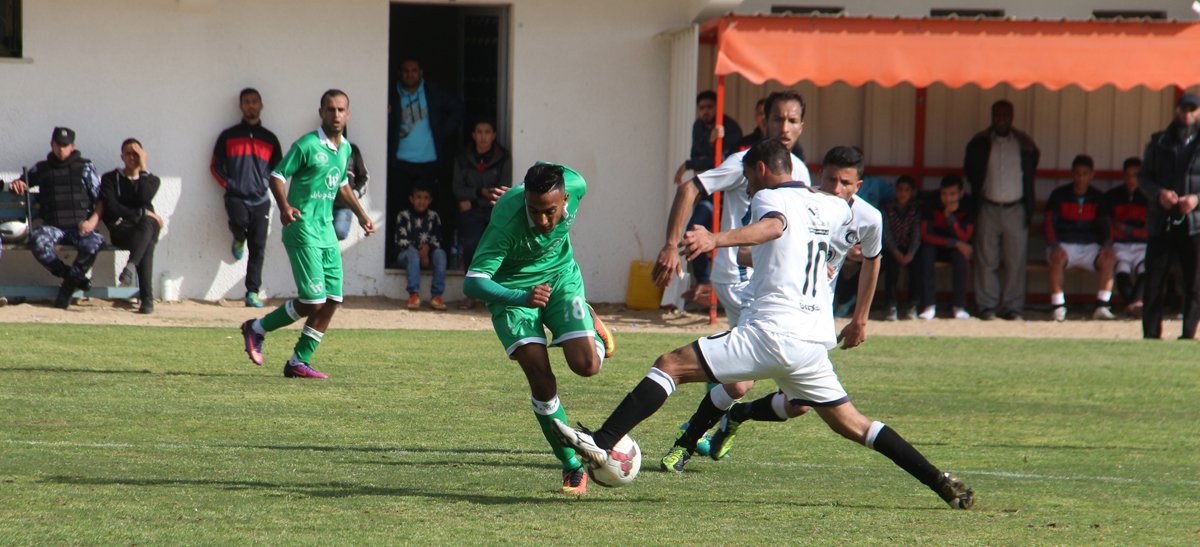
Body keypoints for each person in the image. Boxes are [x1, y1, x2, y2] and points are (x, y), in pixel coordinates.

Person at [552, 140, 974, 510]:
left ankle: (604, 441)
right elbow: (834, 242)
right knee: (858, 426)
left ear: (760, 171)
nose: (748, 190)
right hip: (812, 343)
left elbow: (774, 227)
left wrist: (715, 238)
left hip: (773, 332)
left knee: (670, 364)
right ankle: (940, 482)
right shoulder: (832, 205)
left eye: (749, 182)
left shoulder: (771, 198)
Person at [661, 145, 883, 471]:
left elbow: (872, 261)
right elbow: (748, 254)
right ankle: (685, 444)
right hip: (768, 306)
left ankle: (739, 415)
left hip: (812, 321)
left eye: (845, 183)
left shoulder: (868, 218)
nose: (836, 189)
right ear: (820, 175)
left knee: (799, 406)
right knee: (738, 383)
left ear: (858, 186)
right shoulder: (799, 202)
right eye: (831, 180)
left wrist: (860, 319)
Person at [651, 91, 809, 462]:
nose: (784, 128)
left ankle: (723, 421)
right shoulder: (744, 162)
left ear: (802, 125)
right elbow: (691, 186)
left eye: (792, 121)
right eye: (777, 120)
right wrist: (672, 245)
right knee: (742, 379)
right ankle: (691, 434)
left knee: (797, 400)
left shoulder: (800, 171)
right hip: (741, 280)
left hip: (778, 286)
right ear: (763, 121)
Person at [461, 162, 615, 496]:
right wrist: (521, 296)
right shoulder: (507, 220)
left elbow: (558, 175)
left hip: (560, 279)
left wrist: (519, 190)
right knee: (540, 377)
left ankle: (592, 327)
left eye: (550, 212)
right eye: (534, 211)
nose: (543, 221)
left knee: (588, 366)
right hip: (513, 293)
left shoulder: (577, 185)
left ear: (564, 200)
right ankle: (572, 464)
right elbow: (473, 283)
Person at [239, 89, 375, 379]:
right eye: (330, 109)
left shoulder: (346, 149)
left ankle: (299, 360)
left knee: (334, 298)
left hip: (326, 231)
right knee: (313, 300)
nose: (336, 115)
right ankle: (256, 328)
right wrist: (285, 206)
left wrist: (363, 216)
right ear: (321, 113)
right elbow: (276, 175)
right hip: (302, 228)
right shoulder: (307, 145)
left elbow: (341, 186)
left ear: (348, 114)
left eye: (341, 110)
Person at [9, 127, 105, 309]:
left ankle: (67, 288)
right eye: (57, 145)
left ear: (72, 146)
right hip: (54, 227)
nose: (61, 149)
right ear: (51, 144)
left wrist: (92, 222)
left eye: (65, 145)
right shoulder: (42, 168)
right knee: (37, 241)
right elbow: (23, 181)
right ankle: (71, 276)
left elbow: (100, 199)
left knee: (94, 243)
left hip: (79, 226)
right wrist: (19, 182)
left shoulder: (85, 167)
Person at [965, 99, 1040, 321]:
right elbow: (969, 170)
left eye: (1005, 115)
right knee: (986, 260)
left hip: (1016, 208)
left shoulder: (1023, 144)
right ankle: (987, 305)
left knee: (1015, 261)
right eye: (997, 115)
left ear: (1012, 117)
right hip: (988, 207)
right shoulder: (980, 142)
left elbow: (1034, 163)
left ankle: (1012, 307)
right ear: (991, 116)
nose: (1001, 119)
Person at [388, 56, 464, 267]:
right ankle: (400, 256)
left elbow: (458, 109)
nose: (410, 74)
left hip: (430, 162)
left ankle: (435, 256)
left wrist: (441, 131)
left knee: (435, 212)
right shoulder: (391, 94)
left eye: (414, 70)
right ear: (400, 73)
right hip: (401, 162)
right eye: (405, 70)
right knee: (400, 210)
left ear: (421, 72)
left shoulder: (433, 92)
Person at [211, 87, 283, 308]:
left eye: (254, 101)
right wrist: (231, 184)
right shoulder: (228, 136)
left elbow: (278, 169)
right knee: (240, 225)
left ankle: (252, 292)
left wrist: (266, 184)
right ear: (241, 106)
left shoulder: (270, 138)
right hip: (236, 197)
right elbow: (215, 166)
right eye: (247, 102)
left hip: (261, 200)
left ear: (261, 105)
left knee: (258, 247)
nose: (251, 106)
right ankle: (238, 237)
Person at [1137, 93, 1200, 339]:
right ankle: (1151, 335)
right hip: (1162, 220)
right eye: (1183, 109)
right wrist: (1159, 194)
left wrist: (1195, 200)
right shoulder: (1159, 141)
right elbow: (1143, 178)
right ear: (1176, 111)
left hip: (1194, 223)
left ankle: (1188, 334)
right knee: (1154, 281)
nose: (1187, 114)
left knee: (1193, 282)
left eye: (1192, 109)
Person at [673, 91, 743, 297]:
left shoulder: (729, 128)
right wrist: (694, 161)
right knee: (693, 230)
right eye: (702, 108)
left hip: (726, 197)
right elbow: (698, 156)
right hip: (708, 194)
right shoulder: (698, 126)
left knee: (727, 237)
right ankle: (703, 280)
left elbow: (722, 165)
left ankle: (718, 283)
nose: (705, 112)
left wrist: (710, 151)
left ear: (717, 108)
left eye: (709, 108)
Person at [1044, 154, 1116, 322]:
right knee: (1056, 258)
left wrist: (1107, 245)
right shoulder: (1059, 194)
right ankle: (1058, 306)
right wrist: (1054, 245)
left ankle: (1102, 306)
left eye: (1085, 174)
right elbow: (1048, 223)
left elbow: (1108, 225)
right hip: (1064, 244)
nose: (1081, 178)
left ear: (1092, 175)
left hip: (1090, 245)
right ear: (1072, 174)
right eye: (1077, 173)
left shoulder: (1098, 197)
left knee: (1108, 259)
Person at [99, 138, 164, 314]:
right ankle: (147, 298)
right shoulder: (110, 179)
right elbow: (112, 207)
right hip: (122, 230)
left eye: (136, 154)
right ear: (122, 156)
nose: (132, 157)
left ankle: (131, 266)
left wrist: (143, 168)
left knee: (148, 231)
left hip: (144, 230)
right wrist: (142, 213)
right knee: (148, 235)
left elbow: (144, 197)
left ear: (143, 156)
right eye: (128, 153)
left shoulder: (152, 180)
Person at [452, 118, 511, 310]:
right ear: (473, 135)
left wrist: (474, 199)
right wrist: (480, 194)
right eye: (479, 131)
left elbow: (503, 191)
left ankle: (494, 295)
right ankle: (470, 294)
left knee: (497, 251)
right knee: (470, 246)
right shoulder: (462, 157)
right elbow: (458, 189)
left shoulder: (503, 157)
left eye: (487, 132)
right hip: (473, 213)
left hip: (496, 211)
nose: (483, 136)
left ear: (494, 135)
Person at [917, 175, 974, 320]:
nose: (948, 199)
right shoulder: (931, 201)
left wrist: (950, 217)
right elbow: (925, 235)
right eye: (944, 194)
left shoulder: (968, 204)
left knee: (961, 257)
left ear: (961, 193)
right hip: (936, 245)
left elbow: (965, 237)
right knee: (926, 253)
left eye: (952, 194)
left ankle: (959, 306)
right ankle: (929, 306)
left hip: (956, 249)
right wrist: (954, 243)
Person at [1104, 157, 1148, 314]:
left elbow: (1149, 230)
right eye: (1128, 175)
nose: (1131, 179)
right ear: (1123, 176)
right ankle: (1135, 303)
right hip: (1120, 244)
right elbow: (1107, 224)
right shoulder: (1112, 196)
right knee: (1122, 267)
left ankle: (1133, 303)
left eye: (1135, 175)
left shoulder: (1148, 198)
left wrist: (1128, 230)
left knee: (1145, 267)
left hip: (1142, 244)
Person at [396, 184, 447, 311]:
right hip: (406, 256)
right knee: (412, 253)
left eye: (425, 198)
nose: (422, 201)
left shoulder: (433, 216)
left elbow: (438, 239)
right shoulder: (403, 216)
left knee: (440, 254)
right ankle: (414, 295)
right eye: (418, 197)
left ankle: (436, 296)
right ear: (411, 199)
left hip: (428, 255)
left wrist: (428, 250)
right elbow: (400, 241)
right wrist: (421, 251)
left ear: (430, 200)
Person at [882, 175, 922, 320]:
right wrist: (896, 252)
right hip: (892, 249)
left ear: (912, 192)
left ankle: (913, 304)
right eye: (900, 189)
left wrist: (911, 253)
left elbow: (917, 233)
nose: (902, 193)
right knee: (891, 269)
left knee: (917, 268)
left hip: (911, 249)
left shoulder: (916, 209)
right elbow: (886, 233)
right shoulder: (887, 208)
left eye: (906, 190)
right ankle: (891, 305)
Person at [333, 135, 369, 241]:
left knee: (339, 232)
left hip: (344, 205)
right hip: (321, 204)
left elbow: (364, 177)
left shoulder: (352, 150)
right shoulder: (319, 148)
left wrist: (354, 195)